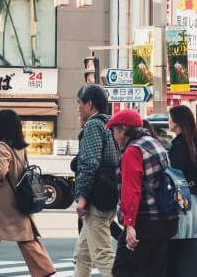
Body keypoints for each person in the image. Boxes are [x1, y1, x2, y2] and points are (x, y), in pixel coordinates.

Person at [0, 109, 54, 277]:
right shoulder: (19, 146)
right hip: (18, 199)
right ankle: (44, 270)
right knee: (26, 238)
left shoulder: (2, 145)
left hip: (3, 202)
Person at [107, 109, 178, 277]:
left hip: (143, 221)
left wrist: (129, 225)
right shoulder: (154, 143)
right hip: (165, 218)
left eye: (114, 131)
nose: (114, 136)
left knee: (122, 270)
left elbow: (131, 189)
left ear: (123, 130)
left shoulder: (133, 151)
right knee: (154, 271)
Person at [72, 84, 119, 277]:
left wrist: (82, 197)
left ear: (89, 104)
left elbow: (89, 164)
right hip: (110, 194)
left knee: (102, 255)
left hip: (96, 199)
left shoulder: (93, 125)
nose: (78, 108)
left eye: (79, 103)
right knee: (83, 254)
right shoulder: (112, 125)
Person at [167, 105, 197, 240]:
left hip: (184, 198)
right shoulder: (194, 143)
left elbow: (178, 177)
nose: (168, 121)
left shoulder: (179, 145)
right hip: (195, 198)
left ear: (177, 122)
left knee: (180, 239)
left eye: (170, 118)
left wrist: (181, 207)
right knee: (194, 239)